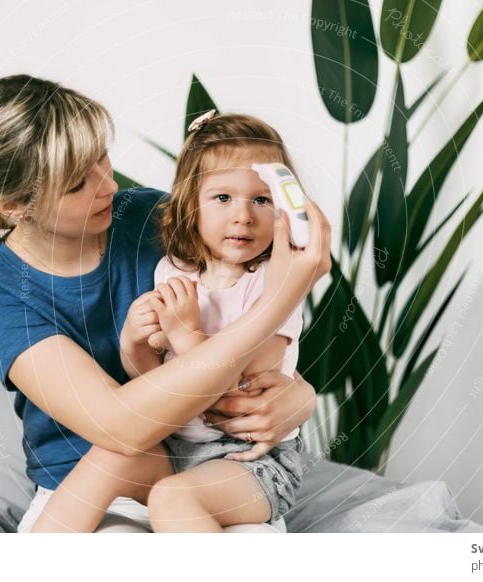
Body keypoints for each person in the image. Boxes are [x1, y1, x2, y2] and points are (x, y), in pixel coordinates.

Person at [0, 74, 331, 533]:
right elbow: (122, 427)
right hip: (91, 488)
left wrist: (299, 396)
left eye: (102, 156)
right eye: (78, 182)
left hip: (215, 469)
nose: (108, 185)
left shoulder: (152, 219)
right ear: (13, 206)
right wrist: (281, 300)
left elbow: (240, 324)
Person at [31, 112, 308, 533]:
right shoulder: (174, 271)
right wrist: (135, 345)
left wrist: (186, 334)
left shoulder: (277, 282)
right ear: (188, 205)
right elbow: (159, 384)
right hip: (175, 445)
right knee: (108, 457)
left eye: (262, 199)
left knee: (173, 497)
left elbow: (241, 391)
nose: (243, 216)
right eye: (222, 198)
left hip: (248, 460)